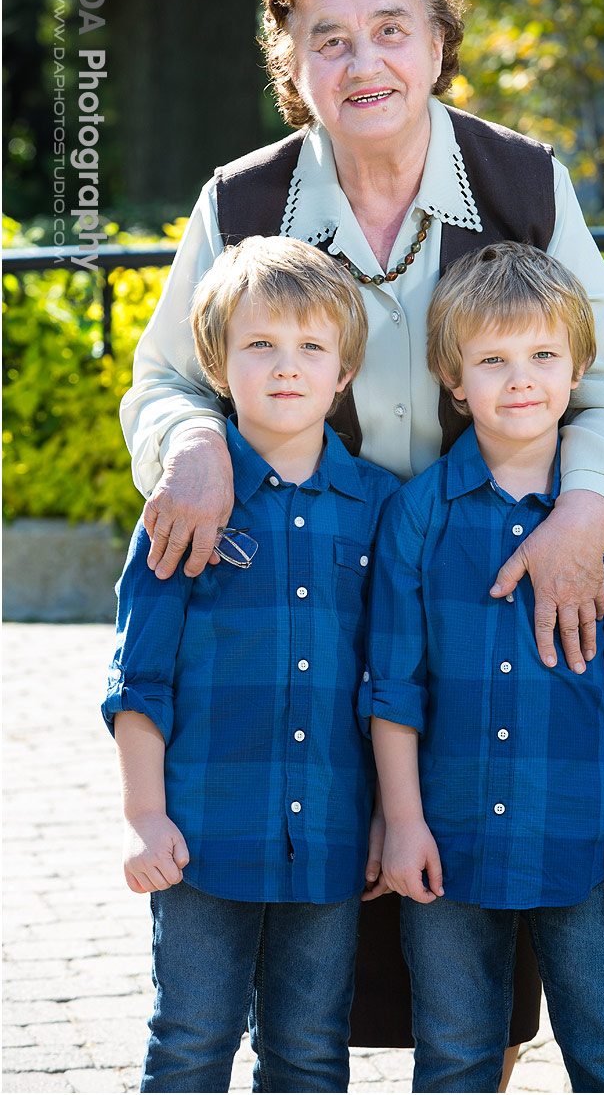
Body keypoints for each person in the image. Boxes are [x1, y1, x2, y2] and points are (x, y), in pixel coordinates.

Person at [118, 0, 604, 1071]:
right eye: (328, 37)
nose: (365, 61)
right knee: (316, 938)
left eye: (392, 29)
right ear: (291, 63)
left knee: (489, 925)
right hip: (311, 587)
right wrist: (193, 444)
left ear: (437, 40)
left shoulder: (522, 181)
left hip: (491, 594)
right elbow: (163, 379)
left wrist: (584, 507)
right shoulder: (242, 201)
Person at [367, 242, 604, 1094]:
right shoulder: (415, 516)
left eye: (543, 356)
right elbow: (393, 687)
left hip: (582, 835)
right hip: (451, 836)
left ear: (578, 368)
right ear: (453, 380)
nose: (521, 380)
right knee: (456, 1056)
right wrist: (403, 824)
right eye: (493, 360)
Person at [102, 237, 399, 1093]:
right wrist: (143, 819)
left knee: (309, 1050)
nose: (286, 368)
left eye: (312, 347)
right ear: (218, 365)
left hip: (334, 838)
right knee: (192, 1038)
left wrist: (385, 817)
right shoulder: (185, 504)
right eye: (259, 345)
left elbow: (389, 684)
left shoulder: (379, 509)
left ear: (343, 372)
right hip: (202, 834)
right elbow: (138, 679)